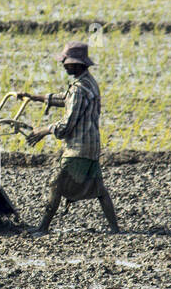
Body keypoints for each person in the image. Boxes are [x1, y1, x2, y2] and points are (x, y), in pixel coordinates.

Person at [19, 40, 120, 236]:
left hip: (78, 148)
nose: (63, 65)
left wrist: (44, 130)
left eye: (66, 62)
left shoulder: (78, 89)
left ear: (77, 63)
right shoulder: (88, 82)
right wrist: (35, 97)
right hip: (91, 146)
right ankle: (115, 229)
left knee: (56, 183)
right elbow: (64, 98)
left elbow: (66, 125)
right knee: (99, 189)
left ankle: (42, 228)